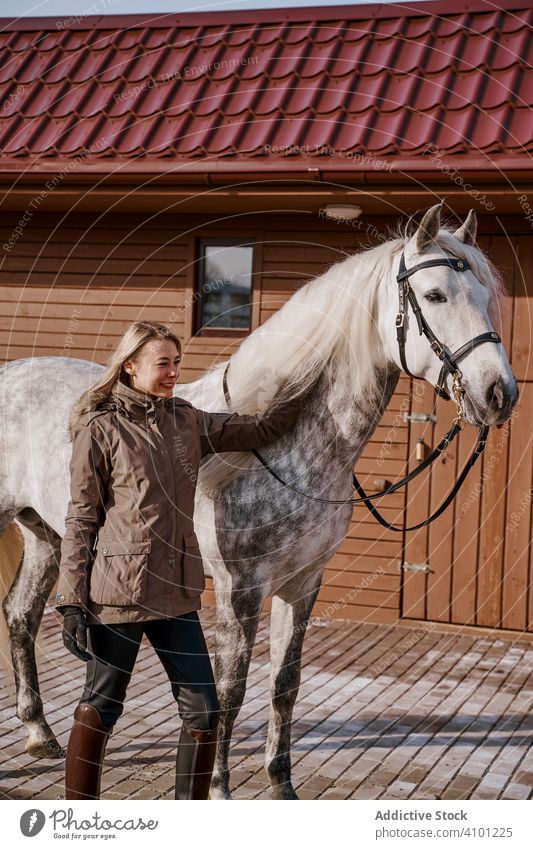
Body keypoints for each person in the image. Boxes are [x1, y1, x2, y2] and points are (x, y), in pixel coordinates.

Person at [55, 319, 307, 800]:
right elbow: (81, 520)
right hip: (118, 595)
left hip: (176, 595)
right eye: (162, 363)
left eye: (177, 362)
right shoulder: (101, 430)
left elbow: (263, 428)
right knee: (103, 706)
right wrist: (71, 599)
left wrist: (301, 379)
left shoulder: (187, 420)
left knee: (204, 711)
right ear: (130, 366)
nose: (173, 372)